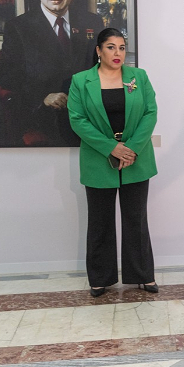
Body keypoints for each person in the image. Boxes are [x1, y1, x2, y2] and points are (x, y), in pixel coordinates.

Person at [68, 28, 159, 297]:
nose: (117, 53)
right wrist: (112, 148)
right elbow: (77, 120)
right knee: (100, 222)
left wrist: (130, 149)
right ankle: (100, 279)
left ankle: (142, 275)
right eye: (110, 47)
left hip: (136, 159)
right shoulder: (81, 81)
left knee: (136, 220)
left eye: (121, 47)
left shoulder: (138, 77)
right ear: (98, 50)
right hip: (98, 159)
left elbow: (150, 113)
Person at [0, 0, 104, 146]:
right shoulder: (18, 27)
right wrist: (43, 97)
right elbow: (7, 77)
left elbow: (102, 67)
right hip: (45, 115)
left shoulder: (92, 22)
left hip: (88, 111)